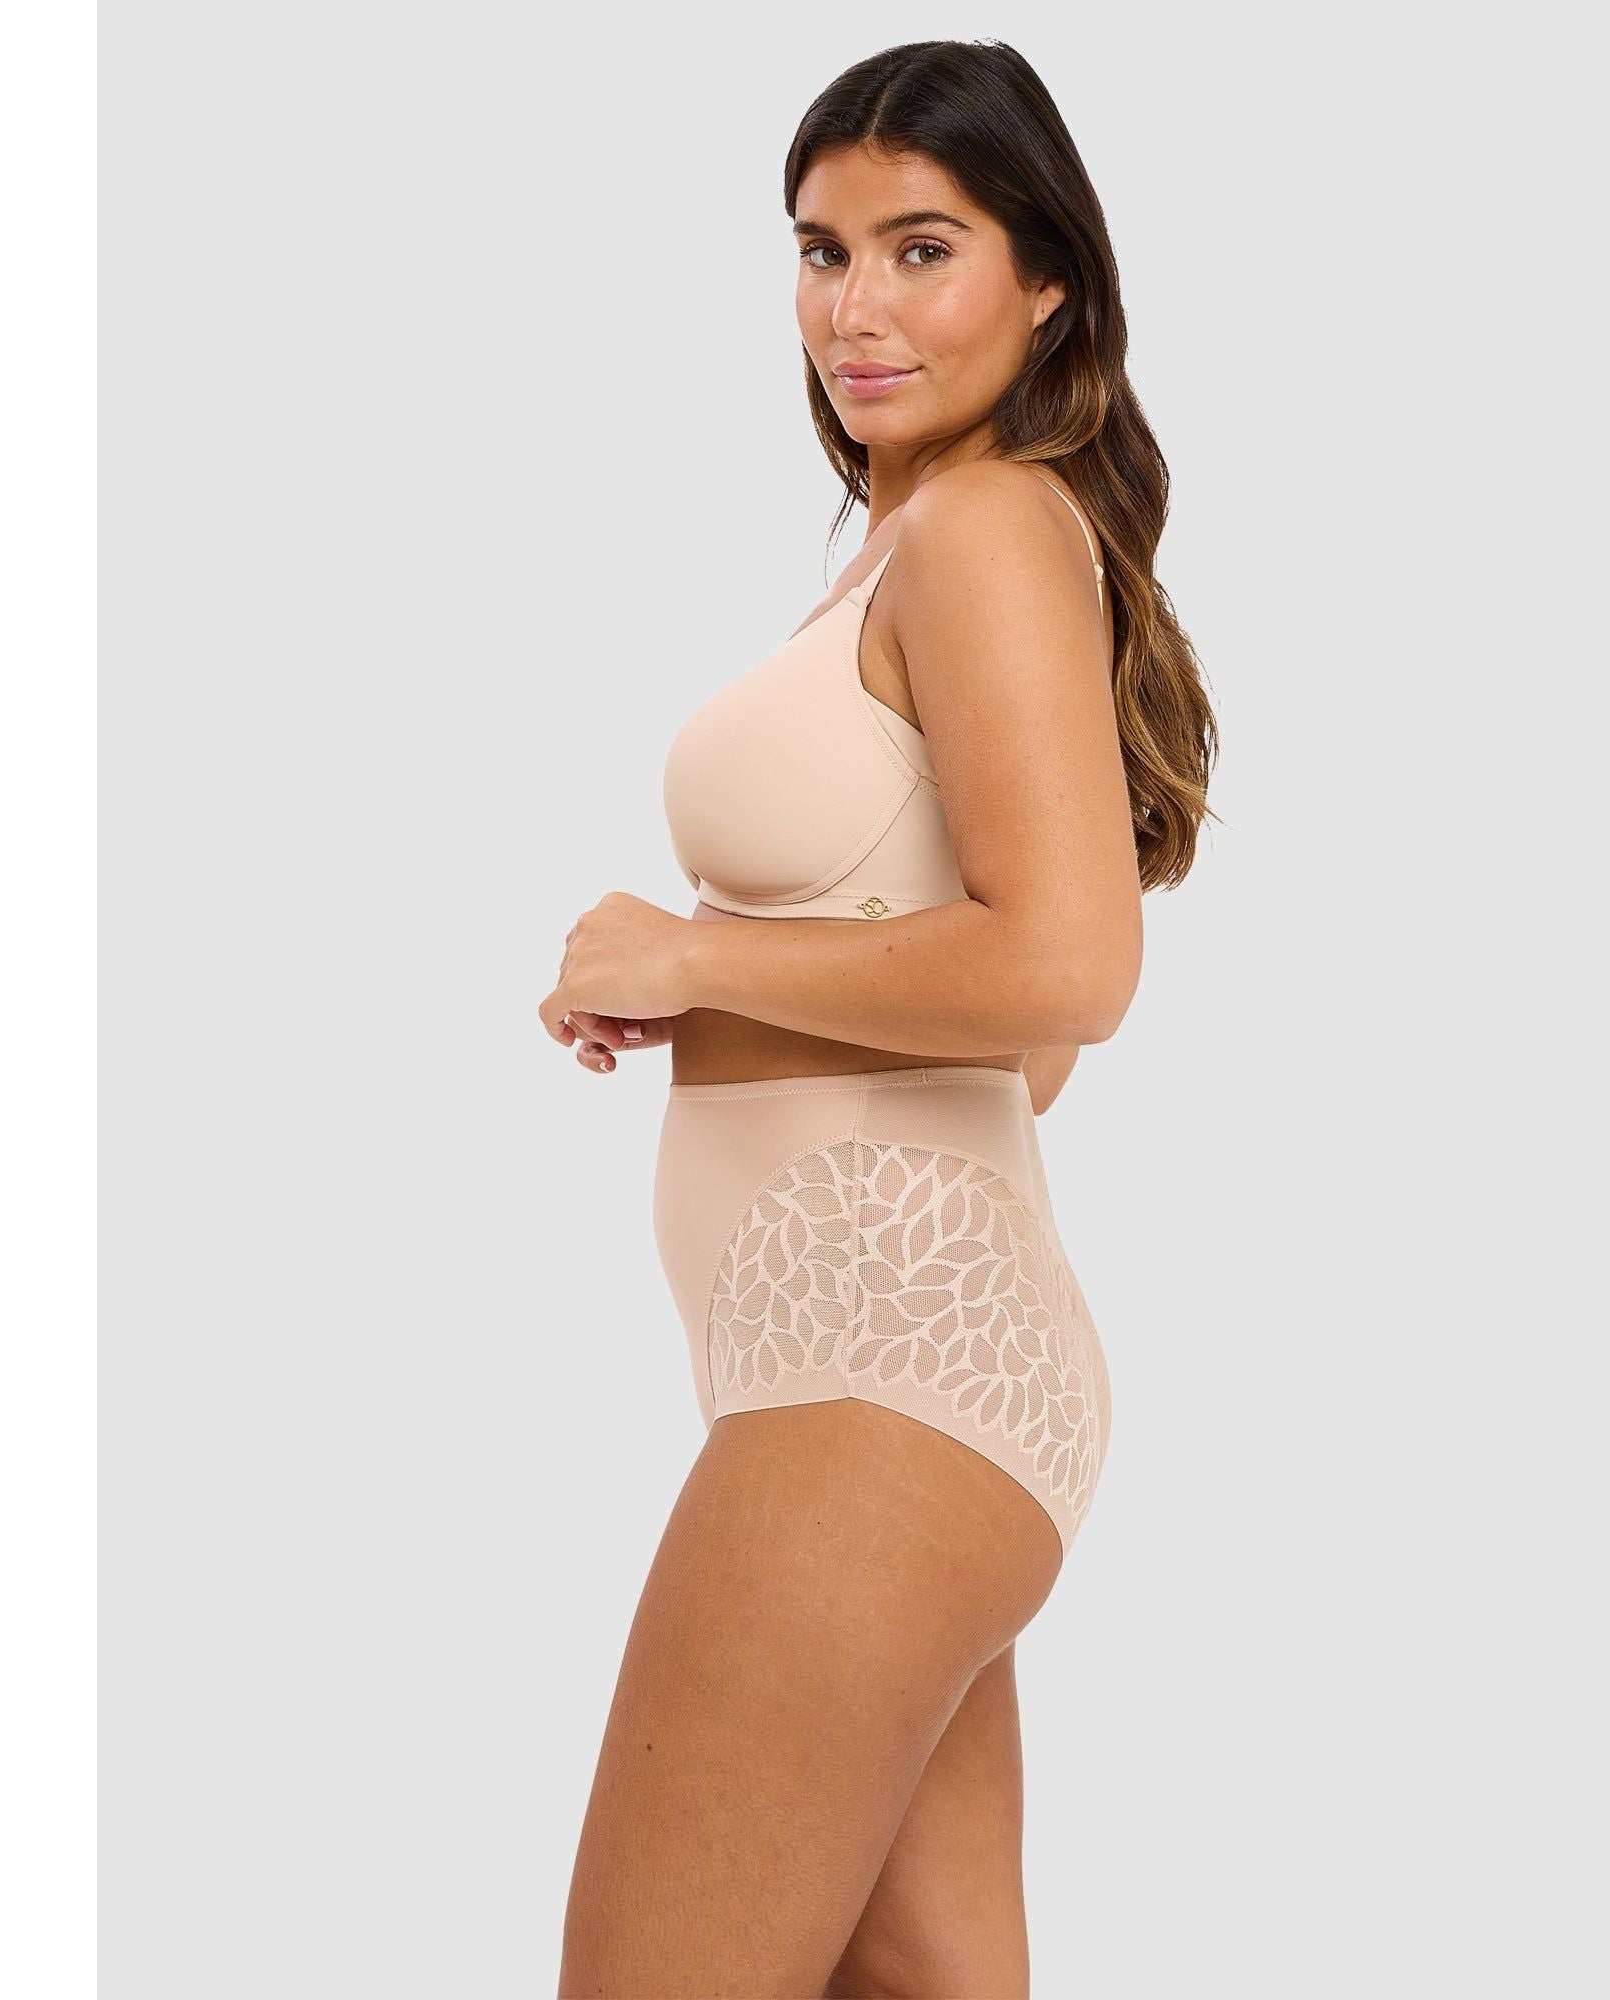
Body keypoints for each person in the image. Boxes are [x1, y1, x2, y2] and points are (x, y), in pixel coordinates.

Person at [538, 38, 1217, 1998]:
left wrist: (698, 961)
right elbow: (1019, 1055)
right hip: (888, 1360)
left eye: (922, 248)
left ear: (1048, 280)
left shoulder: (984, 529)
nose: (855, 307)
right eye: (820, 250)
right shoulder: (914, 551)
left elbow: (1072, 970)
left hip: (878, 1355)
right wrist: (743, 992)